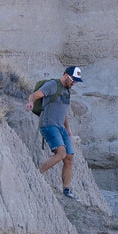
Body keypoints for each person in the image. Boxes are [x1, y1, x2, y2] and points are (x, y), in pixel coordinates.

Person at [27, 65, 83, 199]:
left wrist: (68, 129)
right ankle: (36, 175)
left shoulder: (67, 91)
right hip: (48, 125)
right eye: (73, 80)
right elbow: (35, 95)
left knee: (69, 157)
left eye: (76, 81)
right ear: (65, 75)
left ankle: (66, 190)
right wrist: (30, 103)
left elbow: (63, 112)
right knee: (61, 153)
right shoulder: (52, 85)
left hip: (61, 128)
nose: (74, 83)